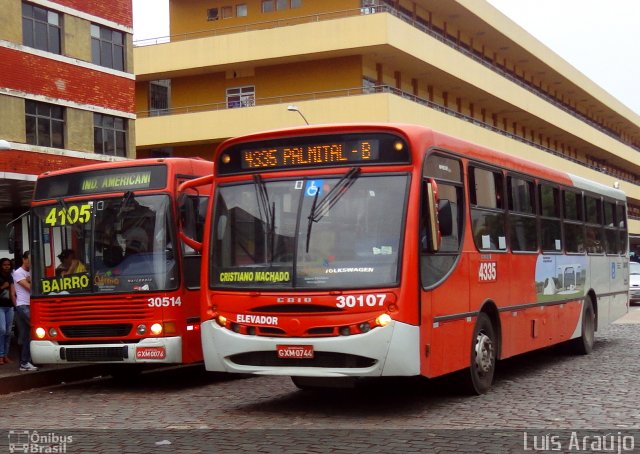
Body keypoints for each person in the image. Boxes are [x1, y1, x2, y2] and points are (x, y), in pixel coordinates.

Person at [13, 251, 37, 372]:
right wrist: (32, 281)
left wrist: (30, 279)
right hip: (23, 306)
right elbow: (30, 288)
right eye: (29, 259)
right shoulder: (18, 273)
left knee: (26, 335)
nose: (31, 262)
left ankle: (24, 362)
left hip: (29, 305)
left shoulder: (31, 272)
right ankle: (27, 360)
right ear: (24, 259)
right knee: (35, 328)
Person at [0, 257, 14, 364]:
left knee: (9, 332)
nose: (6, 266)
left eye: (8, 265)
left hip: (9, 307)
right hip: (0, 307)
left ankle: (6, 355)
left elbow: (13, 292)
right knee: (2, 330)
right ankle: (0, 355)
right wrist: (3, 286)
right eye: (4, 265)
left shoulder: (10, 277)